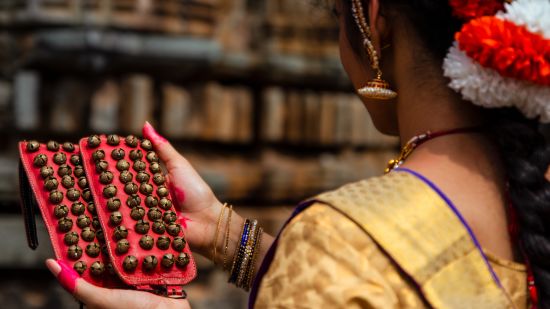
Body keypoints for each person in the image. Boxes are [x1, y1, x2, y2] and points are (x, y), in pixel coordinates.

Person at [45, 0, 550, 308]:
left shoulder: (339, 241)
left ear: (371, 19)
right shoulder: (533, 187)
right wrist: (227, 236)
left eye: (337, 17)